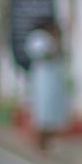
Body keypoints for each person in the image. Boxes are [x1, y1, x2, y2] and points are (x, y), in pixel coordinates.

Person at [24, 18, 70, 150]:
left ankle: (47, 144)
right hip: (43, 81)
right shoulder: (39, 38)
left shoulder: (54, 40)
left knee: (53, 114)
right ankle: (40, 144)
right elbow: (43, 54)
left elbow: (62, 56)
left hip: (54, 81)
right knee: (42, 112)